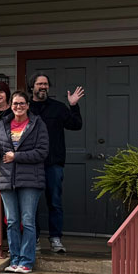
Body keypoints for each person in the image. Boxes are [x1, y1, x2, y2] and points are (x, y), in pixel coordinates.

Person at [0, 85, 49, 274]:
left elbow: (42, 152)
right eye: (15, 103)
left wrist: (16, 156)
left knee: (28, 221)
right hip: (6, 179)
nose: (18, 107)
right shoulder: (2, 125)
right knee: (12, 221)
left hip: (30, 180)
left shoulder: (37, 124)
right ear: (11, 105)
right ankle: (14, 260)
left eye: (22, 103)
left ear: (28, 105)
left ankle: (26, 261)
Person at [28, 72, 85, 253]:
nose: (43, 87)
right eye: (39, 84)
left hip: (53, 163)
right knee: (32, 203)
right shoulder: (25, 107)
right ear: (32, 87)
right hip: (31, 164)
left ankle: (55, 239)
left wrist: (73, 105)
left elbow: (76, 124)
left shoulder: (58, 108)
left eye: (45, 84)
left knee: (54, 202)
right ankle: (34, 238)